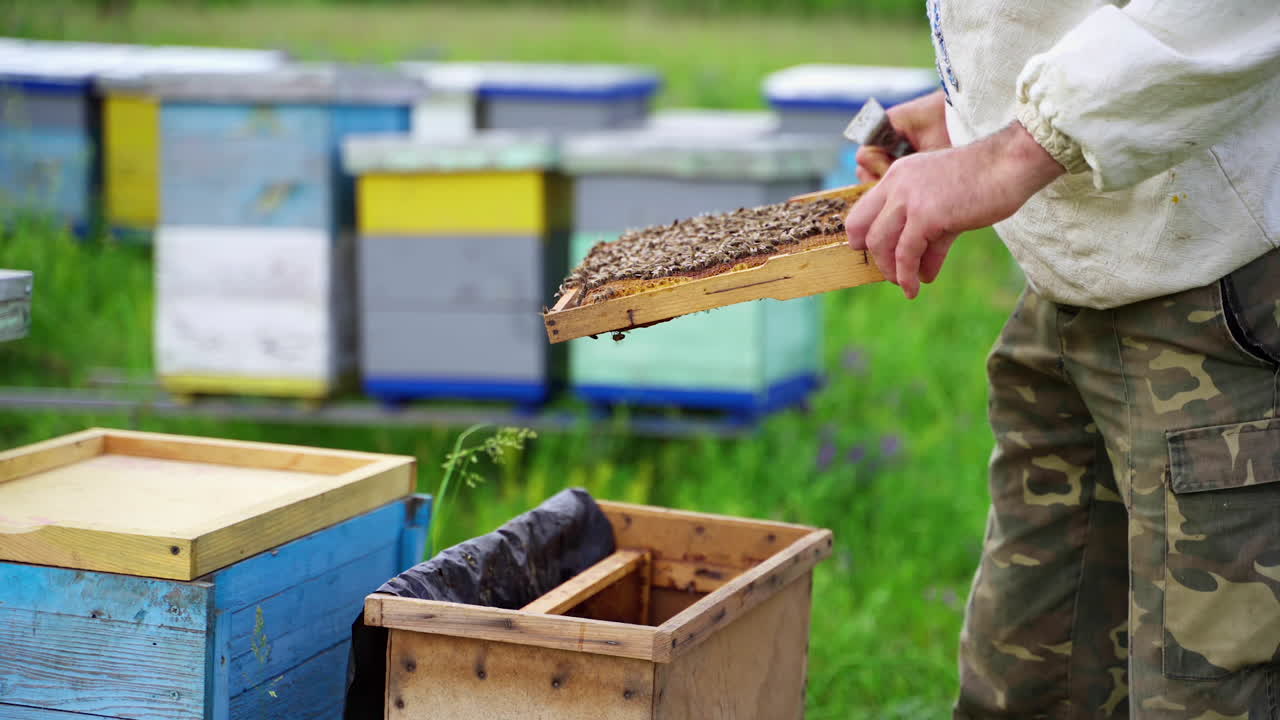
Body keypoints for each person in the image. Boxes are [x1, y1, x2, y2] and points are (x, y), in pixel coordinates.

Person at [844, 2, 1280, 717]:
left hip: (1218, 312)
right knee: (1026, 686)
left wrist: (1013, 151)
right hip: (1066, 302)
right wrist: (972, 122)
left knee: (1209, 698)